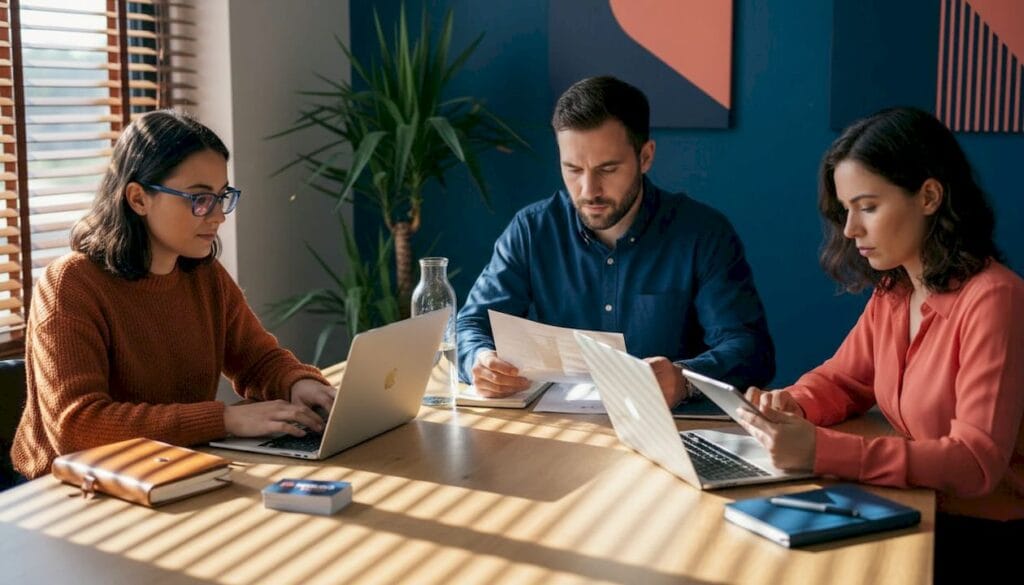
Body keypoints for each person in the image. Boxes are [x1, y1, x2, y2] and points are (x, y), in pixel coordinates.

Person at [734, 107, 1024, 579]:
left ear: (929, 196)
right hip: (914, 506)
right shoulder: (895, 290)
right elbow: (843, 380)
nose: (850, 229)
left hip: (984, 534)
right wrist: (793, 404)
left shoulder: (995, 299)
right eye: (845, 210)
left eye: (867, 206)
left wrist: (819, 450)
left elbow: (975, 462)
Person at [12, 110, 336, 479]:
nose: (218, 216)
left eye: (222, 196)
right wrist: (224, 419)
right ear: (138, 199)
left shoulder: (204, 275)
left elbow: (258, 360)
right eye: (199, 198)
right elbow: (77, 427)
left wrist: (297, 382)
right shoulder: (70, 284)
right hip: (67, 491)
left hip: (171, 469)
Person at [457, 76, 774, 406]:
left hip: (671, 425)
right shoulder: (531, 230)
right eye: (573, 169)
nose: (588, 190)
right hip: (559, 426)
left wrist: (684, 380)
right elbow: (472, 323)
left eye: (607, 169)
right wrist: (480, 359)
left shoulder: (704, 234)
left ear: (645, 156)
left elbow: (751, 349)